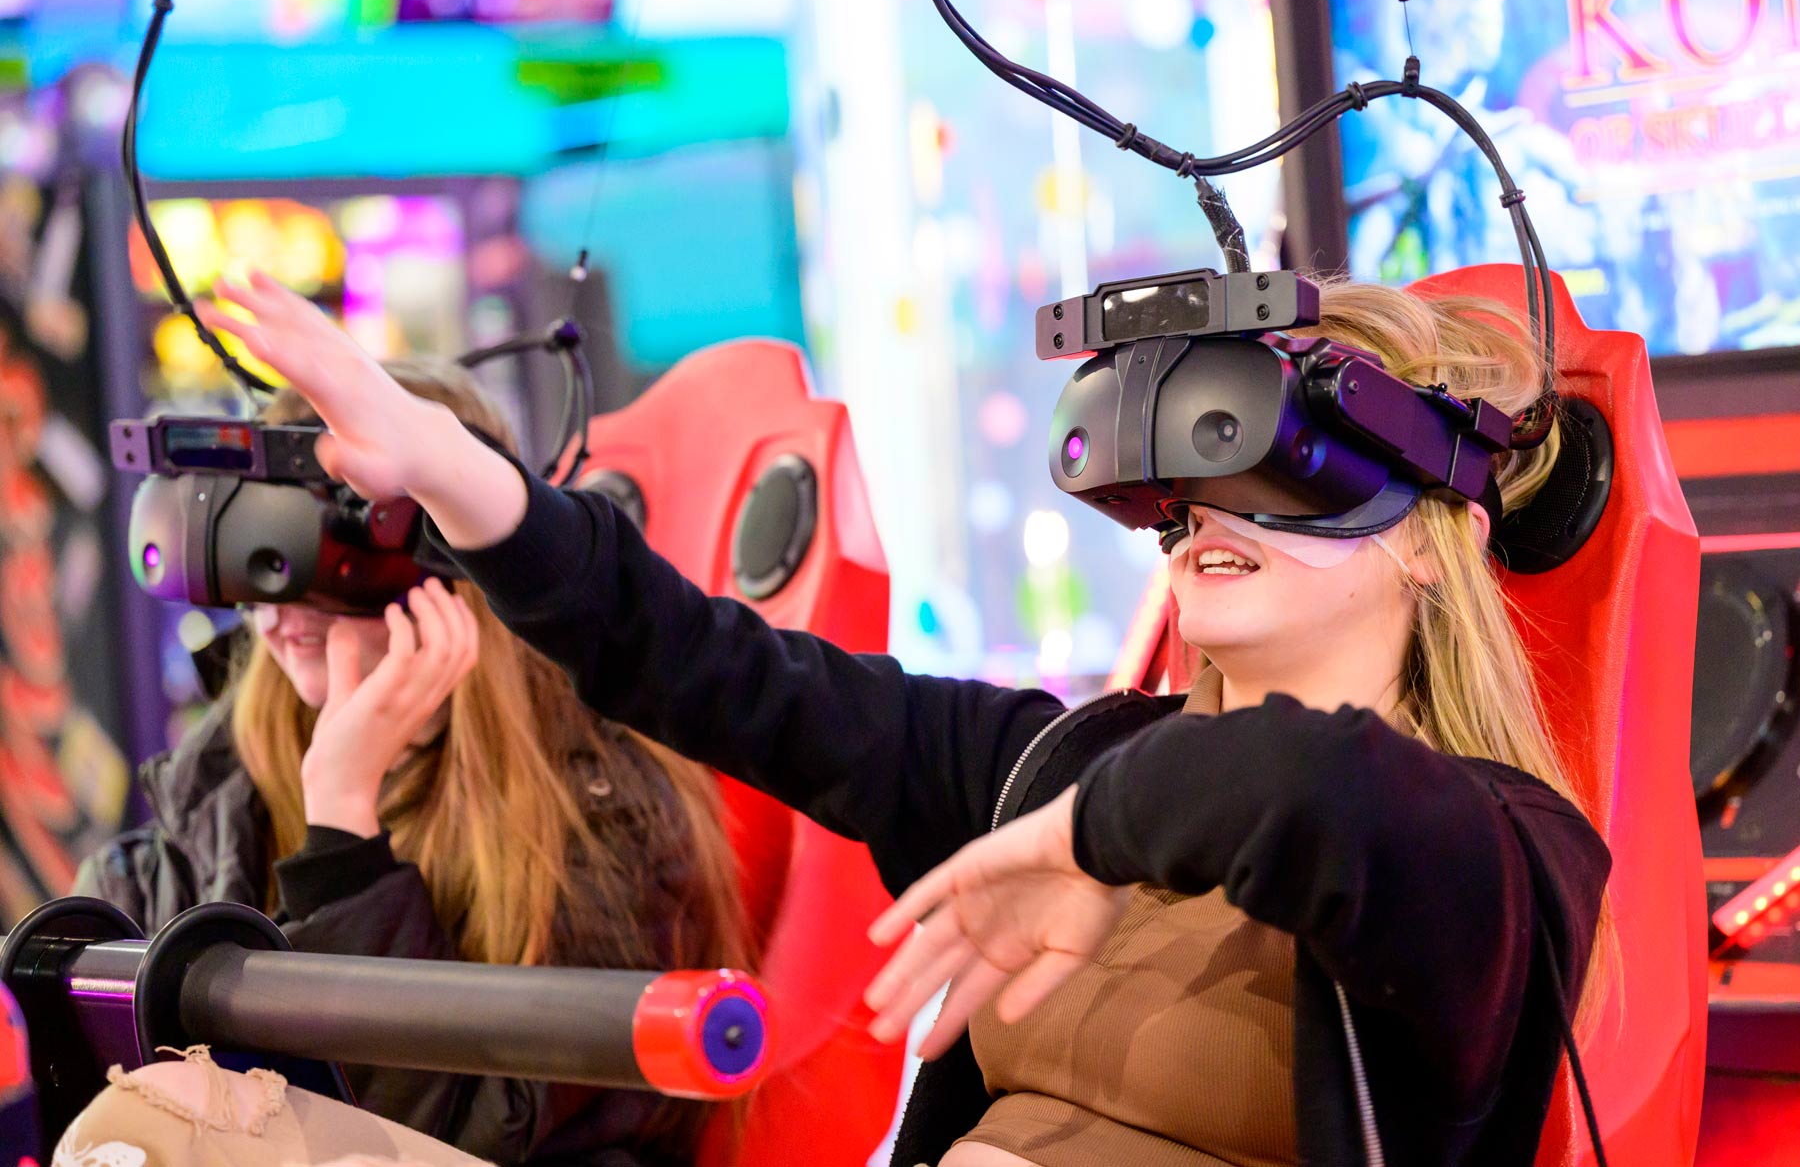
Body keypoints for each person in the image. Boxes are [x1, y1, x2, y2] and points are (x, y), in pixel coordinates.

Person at [199, 271, 1612, 1167]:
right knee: (167, 1134)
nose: (1203, 518)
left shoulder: (1495, 850)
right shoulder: (1056, 761)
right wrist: (461, 478)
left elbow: (1327, 790)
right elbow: (707, 667)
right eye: (1186, 483)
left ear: (1432, 543)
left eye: (1273, 471)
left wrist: (1091, 838)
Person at [75, 360, 752, 1167]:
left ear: (446, 563)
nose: (276, 617)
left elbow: (440, 1137)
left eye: (320, 557)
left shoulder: (603, 807)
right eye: (256, 571)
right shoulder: (224, 782)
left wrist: (343, 827)